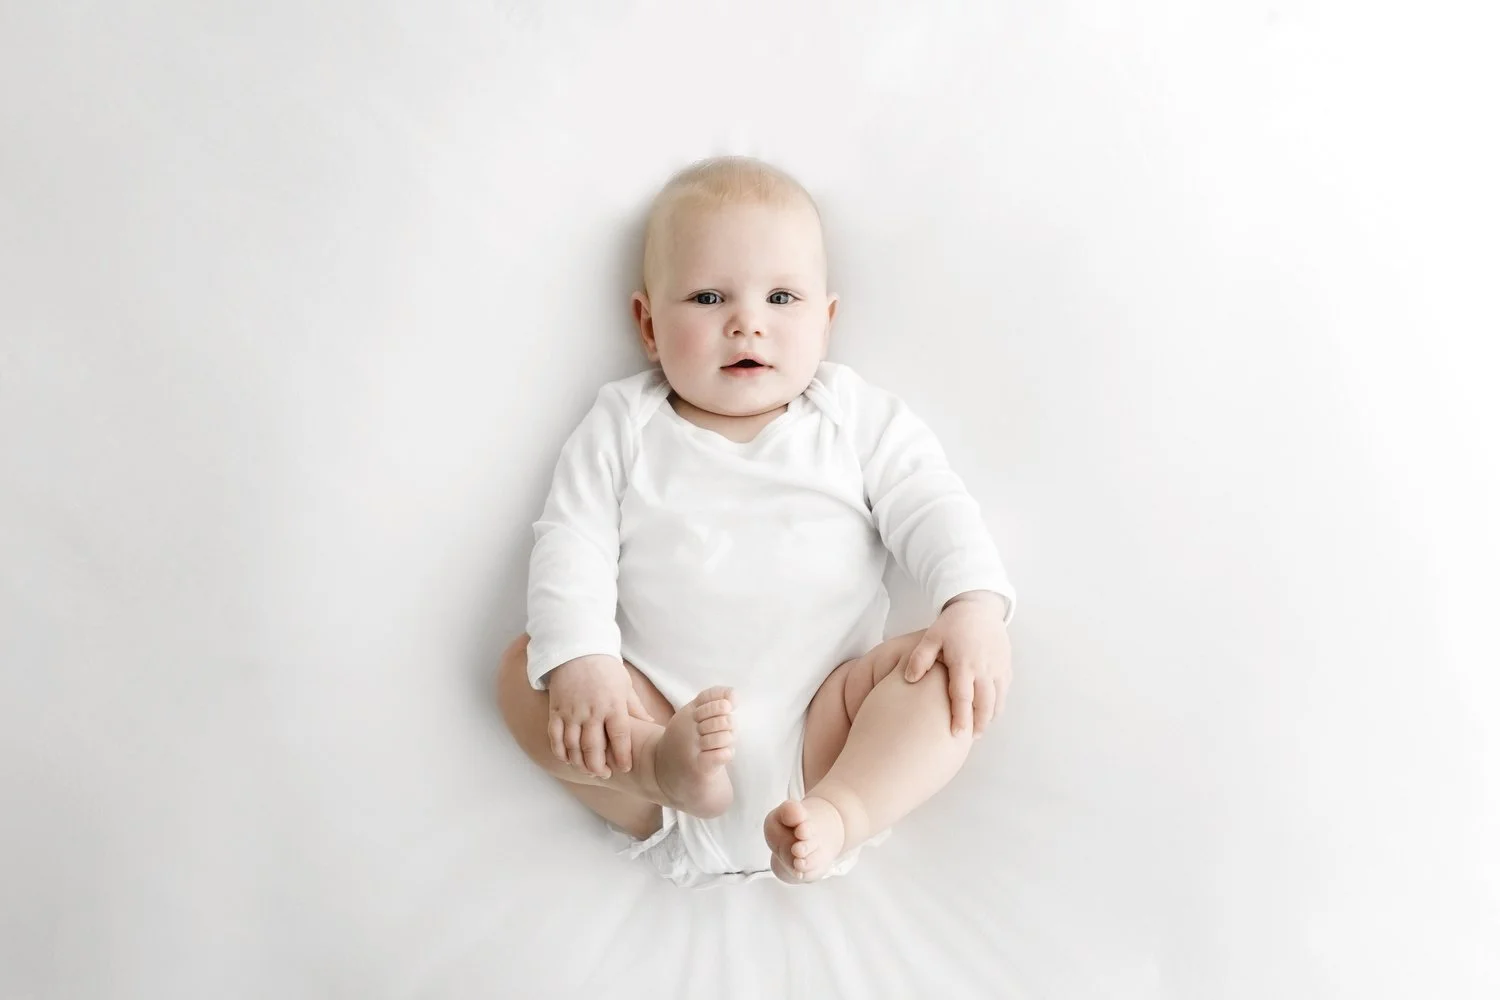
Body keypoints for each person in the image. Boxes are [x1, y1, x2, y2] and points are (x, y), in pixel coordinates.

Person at [496, 156, 1017, 888]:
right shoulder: (623, 422)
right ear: (647, 323)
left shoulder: (853, 416)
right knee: (527, 670)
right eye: (709, 297)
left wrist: (972, 604)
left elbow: (932, 502)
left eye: (781, 297)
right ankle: (657, 771)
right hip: (656, 721)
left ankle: (844, 813)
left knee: (941, 674)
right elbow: (571, 539)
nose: (747, 322)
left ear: (825, 321)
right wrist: (584, 662)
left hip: (828, 730)